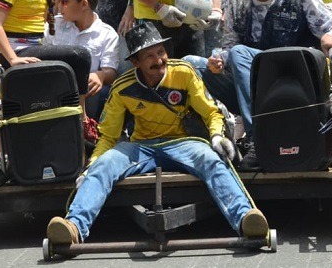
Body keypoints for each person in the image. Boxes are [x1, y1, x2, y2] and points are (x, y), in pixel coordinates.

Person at [45, 22, 269, 246]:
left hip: (183, 142)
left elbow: (211, 112)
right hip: (141, 147)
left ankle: (246, 220)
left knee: (212, 159)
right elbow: (108, 137)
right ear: (135, 62)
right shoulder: (122, 88)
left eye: (161, 52)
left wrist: (217, 137)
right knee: (104, 165)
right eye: (149, 56)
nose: (159, 60)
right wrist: (92, 164)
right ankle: (74, 227)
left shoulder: (184, 72)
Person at [183, 0, 332, 170]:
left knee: (240, 53)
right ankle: (203, 139)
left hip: (295, 85)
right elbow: (230, 46)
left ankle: (256, 140)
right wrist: (219, 60)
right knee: (189, 65)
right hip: (252, 84)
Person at [44, 0, 120, 122]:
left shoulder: (107, 35)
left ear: (84, 4)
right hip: (54, 89)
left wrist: (100, 76)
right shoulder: (53, 26)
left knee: (104, 92)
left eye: (64, 1)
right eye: (59, 0)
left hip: (87, 95)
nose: (59, 6)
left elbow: (110, 71)